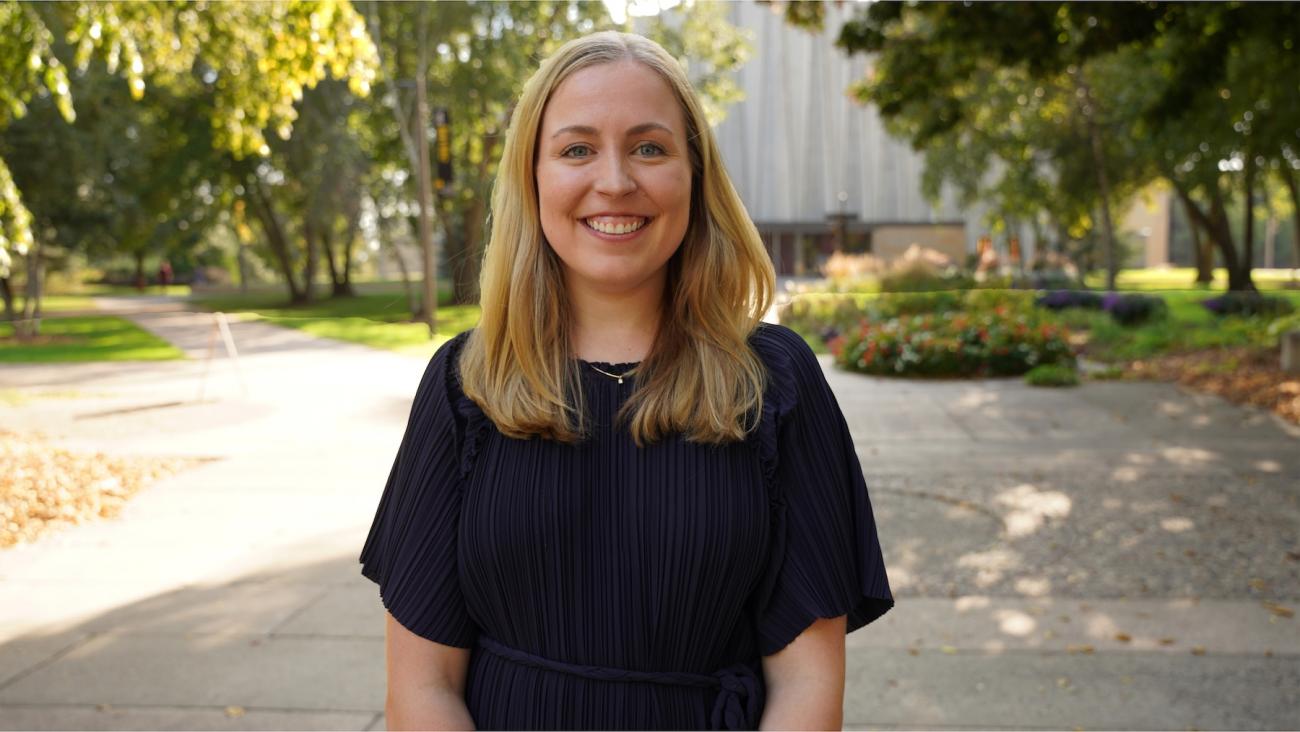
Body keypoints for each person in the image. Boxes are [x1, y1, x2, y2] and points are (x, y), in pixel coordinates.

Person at [360, 30, 893, 731]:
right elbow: (422, 687)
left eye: (649, 147)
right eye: (577, 149)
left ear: (694, 174)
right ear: (534, 176)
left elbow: (807, 686)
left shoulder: (777, 382)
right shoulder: (466, 386)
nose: (614, 180)